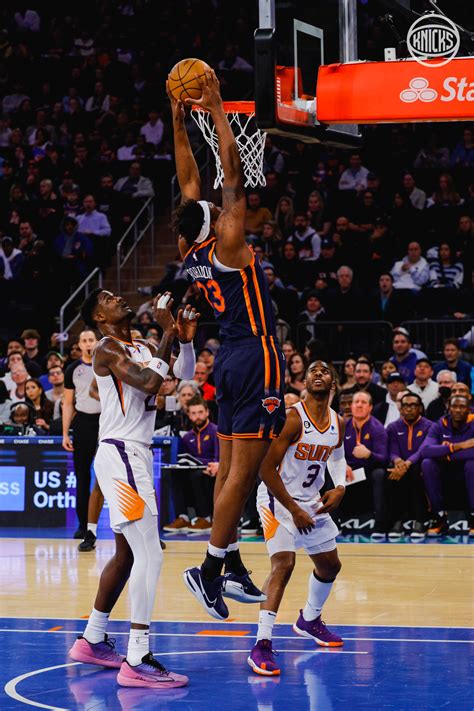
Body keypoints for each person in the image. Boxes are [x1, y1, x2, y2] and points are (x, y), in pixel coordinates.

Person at [168, 68, 285, 619]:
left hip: (230, 356)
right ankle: (211, 568)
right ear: (217, 217)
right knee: (244, 470)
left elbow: (189, 176)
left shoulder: (192, 248)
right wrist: (214, 108)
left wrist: (176, 118)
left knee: (233, 466)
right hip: (256, 352)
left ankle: (230, 561)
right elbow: (231, 174)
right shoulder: (229, 240)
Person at [68, 288, 197, 688]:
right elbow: (145, 382)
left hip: (136, 452)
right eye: (106, 298)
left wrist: (183, 337)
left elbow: (180, 377)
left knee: (127, 555)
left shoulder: (139, 346)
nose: (117, 298)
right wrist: (165, 332)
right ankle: (138, 656)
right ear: (100, 318)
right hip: (122, 452)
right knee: (151, 554)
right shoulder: (105, 347)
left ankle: (91, 639)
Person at [247, 361, 346, 675]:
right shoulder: (293, 418)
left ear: (334, 382)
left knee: (330, 565)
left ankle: (310, 620)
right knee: (284, 564)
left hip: (310, 502)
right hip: (278, 499)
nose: (319, 373)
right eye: (313, 370)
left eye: (325, 370)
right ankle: (261, 643)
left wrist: (340, 486)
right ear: (304, 381)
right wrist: (293, 510)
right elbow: (265, 469)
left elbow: (339, 456)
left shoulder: (337, 422)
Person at [62, 330, 102, 540]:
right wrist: (65, 434)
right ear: (79, 344)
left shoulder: (106, 364)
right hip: (83, 422)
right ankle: (83, 524)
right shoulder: (72, 369)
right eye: (84, 340)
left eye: (91, 340)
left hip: (105, 421)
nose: (88, 344)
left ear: (97, 342)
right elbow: (67, 403)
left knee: (107, 475)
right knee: (82, 476)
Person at [421, 395, 474, 538]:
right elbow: (425, 451)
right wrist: (458, 446)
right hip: (445, 471)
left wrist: (445, 454)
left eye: (462, 407)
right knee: (427, 464)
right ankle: (439, 519)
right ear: (448, 409)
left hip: (467, 471)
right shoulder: (440, 424)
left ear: (469, 409)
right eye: (454, 406)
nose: (458, 410)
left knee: (472, 464)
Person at [165, 396, 219, 535]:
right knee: (175, 473)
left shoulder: (216, 431)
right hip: (193, 472)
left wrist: (203, 463)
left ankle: (206, 518)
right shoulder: (187, 436)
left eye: (200, 412)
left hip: (212, 473)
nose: (198, 416)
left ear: (207, 412)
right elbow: (184, 459)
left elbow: (219, 458)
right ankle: (183, 517)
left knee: (197, 475)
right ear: (188, 415)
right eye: (193, 413)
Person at [385, 392, 432, 540]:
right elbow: (391, 449)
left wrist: (407, 463)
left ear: (420, 408)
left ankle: (420, 520)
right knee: (391, 475)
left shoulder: (430, 426)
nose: (409, 409)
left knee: (415, 472)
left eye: (413, 405)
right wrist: (397, 460)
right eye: (406, 405)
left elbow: (424, 449)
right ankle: (397, 521)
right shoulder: (393, 427)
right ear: (400, 408)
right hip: (400, 466)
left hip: (418, 465)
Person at [343, 391, 388, 539]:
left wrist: (369, 454)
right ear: (351, 406)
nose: (359, 405)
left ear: (370, 407)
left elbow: (384, 459)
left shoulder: (377, 427)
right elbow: (333, 452)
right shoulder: (343, 426)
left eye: (363, 402)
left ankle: (380, 526)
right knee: (330, 472)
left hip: (369, 471)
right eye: (356, 402)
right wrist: (342, 465)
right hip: (349, 472)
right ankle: (332, 524)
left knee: (379, 474)